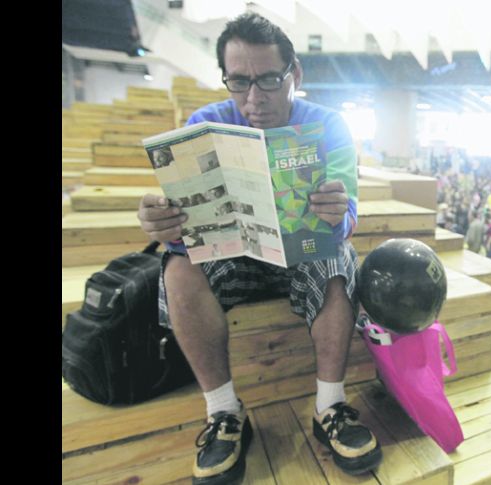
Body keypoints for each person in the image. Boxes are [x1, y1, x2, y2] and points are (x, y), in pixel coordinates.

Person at [136, 13, 381, 482]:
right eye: (239, 82)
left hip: (303, 260)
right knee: (177, 266)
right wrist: (163, 223)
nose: (254, 98)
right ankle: (224, 413)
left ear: (295, 75)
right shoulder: (206, 123)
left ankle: (330, 405)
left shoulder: (329, 126)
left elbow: (348, 217)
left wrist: (338, 213)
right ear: (225, 78)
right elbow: (183, 228)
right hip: (233, 259)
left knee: (338, 258)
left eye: (269, 80)